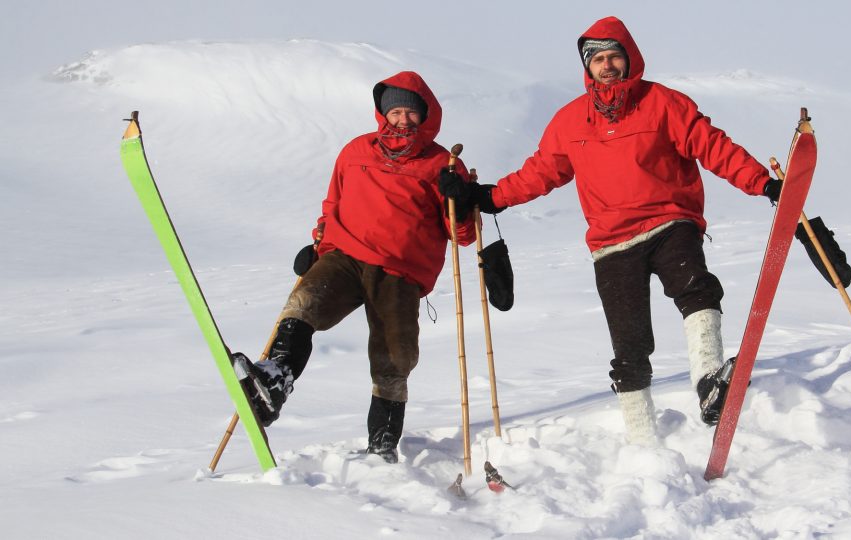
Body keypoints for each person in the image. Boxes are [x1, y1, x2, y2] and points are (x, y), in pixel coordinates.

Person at [440, 16, 782, 444]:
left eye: (614, 56)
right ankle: (643, 444)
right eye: (598, 59)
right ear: (588, 67)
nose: (607, 65)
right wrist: (491, 197)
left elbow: (714, 147)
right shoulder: (570, 121)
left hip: (669, 220)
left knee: (696, 288)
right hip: (611, 243)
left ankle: (709, 382)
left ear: (629, 58)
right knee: (629, 346)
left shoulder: (664, 103)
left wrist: (762, 183)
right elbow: (541, 171)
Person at [236, 71, 476, 463]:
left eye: (411, 113)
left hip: (401, 270)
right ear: (382, 114)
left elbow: (463, 234)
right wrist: (318, 241)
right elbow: (333, 203)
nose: (402, 120)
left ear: (426, 116)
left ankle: (382, 445)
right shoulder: (355, 151)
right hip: (345, 254)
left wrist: (461, 200)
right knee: (304, 304)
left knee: (394, 358)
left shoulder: (442, 165)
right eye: (394, 111)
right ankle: (274, 379)